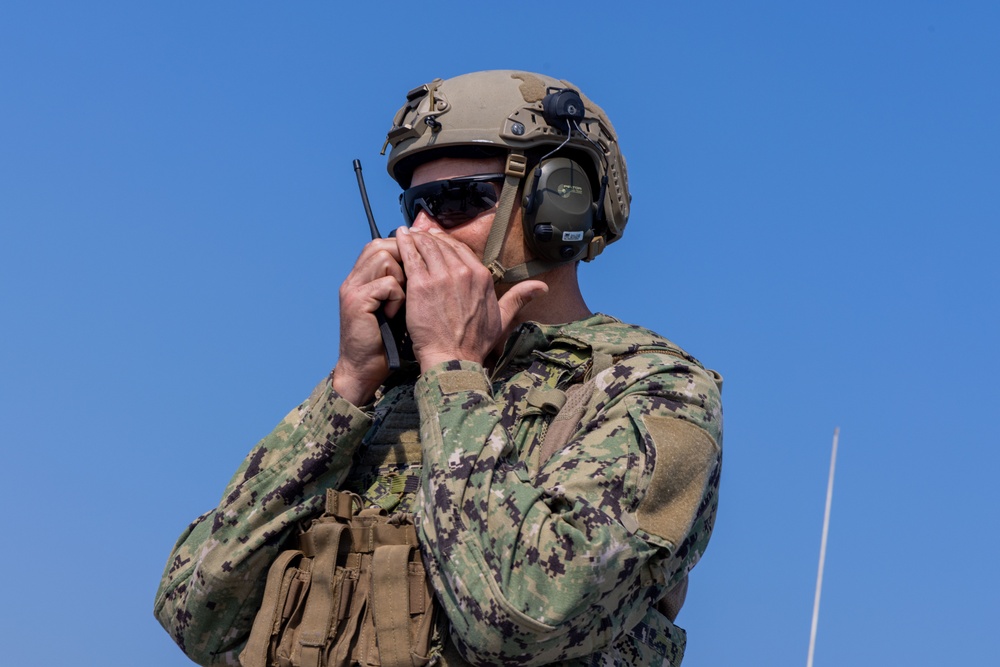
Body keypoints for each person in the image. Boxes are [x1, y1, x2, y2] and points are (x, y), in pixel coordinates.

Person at [154, 69, 723, 667]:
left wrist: (453, 369)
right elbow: (196, 617)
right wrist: (348, 387)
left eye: (454, 201)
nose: (418, 230)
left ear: (558, 202)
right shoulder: (385, 395)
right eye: (413, 206)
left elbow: (524, 620)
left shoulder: (654, 389)